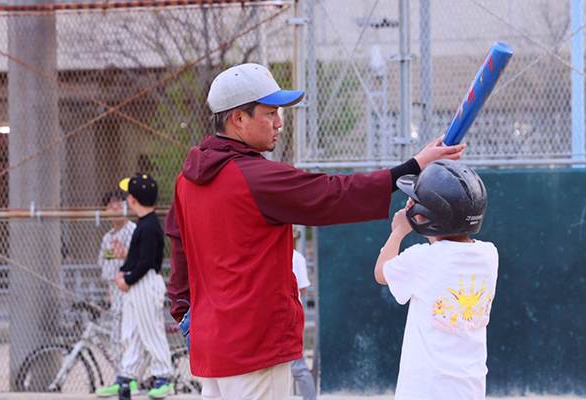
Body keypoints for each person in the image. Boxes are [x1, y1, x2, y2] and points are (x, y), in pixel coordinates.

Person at [164, 63, 466, 400]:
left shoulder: (186, 180)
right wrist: (412, 167)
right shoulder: (255, 177)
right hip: (255, 346)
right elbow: (334, 194)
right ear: (238, 119)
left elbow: (178, 247)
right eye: (270, 112)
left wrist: (182, 311)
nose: (279, 123)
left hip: (212, 347)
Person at [373, 160, 499, 400]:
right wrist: (422, 213)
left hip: (425, 389)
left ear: (431, 216)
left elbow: (381, 272)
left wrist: (399, 230)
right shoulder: (490, 254)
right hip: (470, 389)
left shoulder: (422, 259)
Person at [114, 173, 174, 399]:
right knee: (132, 331)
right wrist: (124, 273)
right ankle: (126, 377)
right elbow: (136, 258)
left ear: (133, 199)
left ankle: (164, 377)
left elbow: (147, 262)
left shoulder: (149, 226)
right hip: (138, 281)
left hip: (146, 282)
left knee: (151, 330)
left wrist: (127, 279)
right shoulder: (144, 225)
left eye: (129, 194)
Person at [95, 191, 139, 397]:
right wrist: (108, 293)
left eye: (118, 205)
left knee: (131, 338)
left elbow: (141, 260)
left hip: (132, 293)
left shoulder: (134, 231)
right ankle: (119, 377)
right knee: (115, 338)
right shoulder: (107, 238)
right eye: (109, 206)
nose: (114, 210)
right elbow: (107, 268)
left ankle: (133, 380)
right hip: (115, 295)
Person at [290, 229, 316, 400]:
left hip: (290, 317)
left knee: (296, 365)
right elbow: (303, 289)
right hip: (291, 314)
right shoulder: (297, 257)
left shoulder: (296, 257)